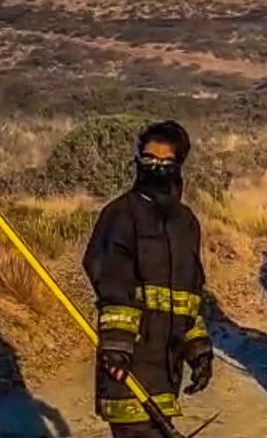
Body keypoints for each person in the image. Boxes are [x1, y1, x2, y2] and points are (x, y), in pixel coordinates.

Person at [82, 120, 213, 438]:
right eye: (149, 159)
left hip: (167, 366)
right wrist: (116, 346)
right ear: (138, 161)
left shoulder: (186, 223)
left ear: (178, 165)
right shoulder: (120, 215)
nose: (156, 167)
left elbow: (190, 295)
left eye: (166, 162)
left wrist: (198, 350)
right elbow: (111, 283)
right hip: (129, 362)